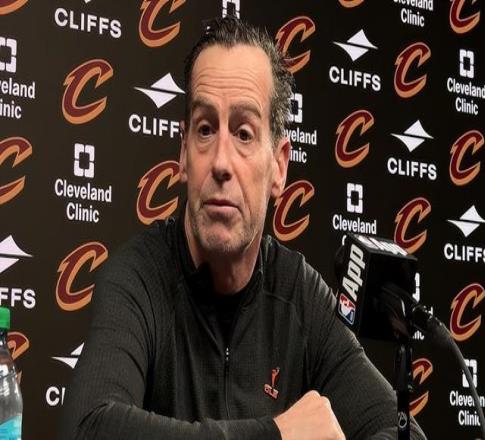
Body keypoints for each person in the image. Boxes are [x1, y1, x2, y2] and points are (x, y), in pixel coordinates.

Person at [60, 16, 426, 440]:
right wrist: (276, 435)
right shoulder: (138, 278)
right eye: (205, 129)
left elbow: (403, 433)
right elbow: (88, 427)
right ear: (183, 154)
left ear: (279, 167)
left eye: (244, 134)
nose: (220, 162)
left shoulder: (299, 295)